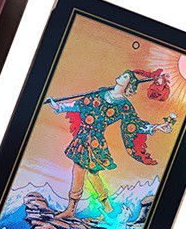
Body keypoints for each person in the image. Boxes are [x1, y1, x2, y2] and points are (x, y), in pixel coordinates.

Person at [48, 70, 172, 219]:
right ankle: (107, 207)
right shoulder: (101, 93)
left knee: (79, 170)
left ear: (129, 84)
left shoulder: (124, 105)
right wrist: (60, 107)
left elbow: (134, 125)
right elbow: (80, 105)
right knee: (92, 174)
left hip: (95, 140)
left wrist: (156, 127)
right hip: (83, 136)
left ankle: (71, 210)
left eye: (125, 76)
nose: (121, 76)